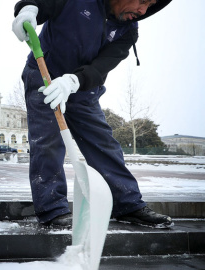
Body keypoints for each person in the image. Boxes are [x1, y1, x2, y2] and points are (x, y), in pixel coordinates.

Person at [12, 0, 173, 228]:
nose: (143, 11)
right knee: (47, 142)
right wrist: (27, 10)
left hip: (83, 87)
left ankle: (128, 204)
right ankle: (52, 210)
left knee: (103, 145)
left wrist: (73, 81)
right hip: (44, 76)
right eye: (143, 1)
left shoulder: (128, 31)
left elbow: (100, 67)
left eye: (149, 6)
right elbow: (42, 3)